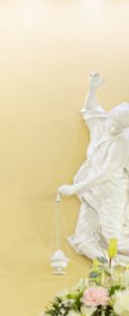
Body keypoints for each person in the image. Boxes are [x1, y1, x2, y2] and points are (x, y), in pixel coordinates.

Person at [58, 72, 129, 262]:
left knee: (114, 239)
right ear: (111, 117)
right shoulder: (101, 127)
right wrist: (93, 89)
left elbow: (106, 174)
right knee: (83, 237)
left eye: (121, 127)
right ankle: (105, 268)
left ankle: (115, 269)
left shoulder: (121, 143)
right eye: (115, 122)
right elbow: (90, 110)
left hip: (111, 192)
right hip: (93, 192)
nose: (114, 128)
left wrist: (74, 188)